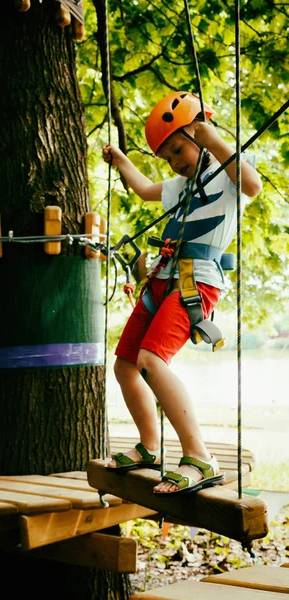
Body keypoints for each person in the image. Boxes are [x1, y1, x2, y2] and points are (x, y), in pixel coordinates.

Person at [101, 91, 262, 495]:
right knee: (125, 364)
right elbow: (142, 190)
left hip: (196, 279)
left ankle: (200, 456)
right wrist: (121, 161)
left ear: (198, 132)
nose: (175, 161)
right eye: (168, 156)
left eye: (179, 149)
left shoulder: (226, 174)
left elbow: (253, 185)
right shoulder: (179, 186)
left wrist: (212, 141)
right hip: (161, 278)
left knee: (151, 361)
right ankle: (150, 447)